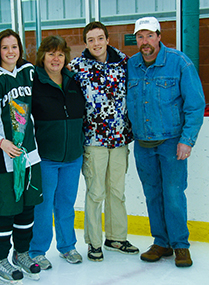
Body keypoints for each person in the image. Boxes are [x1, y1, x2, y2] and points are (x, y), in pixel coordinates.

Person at [127, 17, 205, 267]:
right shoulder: (131, 65)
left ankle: (180, 245)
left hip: (172, 143)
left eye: (150, 35)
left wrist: (187, 140)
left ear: (159, 37)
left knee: (173, 194)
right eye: (140, 37)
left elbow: (195, 105)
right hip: (143, 144)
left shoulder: (179, 62)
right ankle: (161, 242)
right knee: (152, 195)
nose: (145, 42)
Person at [0, 29, 43, 284]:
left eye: (14, 46)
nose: (11, 52)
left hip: (29, 156)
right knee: (4, 211)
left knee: (27, 209)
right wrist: (0, 142)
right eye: (5, 47)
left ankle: (21, 254)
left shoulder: (28, 72)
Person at [69, 21, 139, 261]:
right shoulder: (77, 67)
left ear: (108, 39)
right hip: (93, 140)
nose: (96, 44)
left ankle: (116, 237)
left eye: (100, 38)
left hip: (120, 138)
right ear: (86, 43)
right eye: (91, 40)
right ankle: (94, 242)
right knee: (96, 192)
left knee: (116, 191)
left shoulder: (125, 63)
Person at [29, 35, 86, 269]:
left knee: (66, 203)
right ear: (42, 56)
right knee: (43, 207)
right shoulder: (34, 81)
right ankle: (36, 250)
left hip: (72, 156)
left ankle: (67, 246)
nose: (56, 58)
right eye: (51, 53)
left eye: (60, 54)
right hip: (46, 157)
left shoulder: (73, 80)